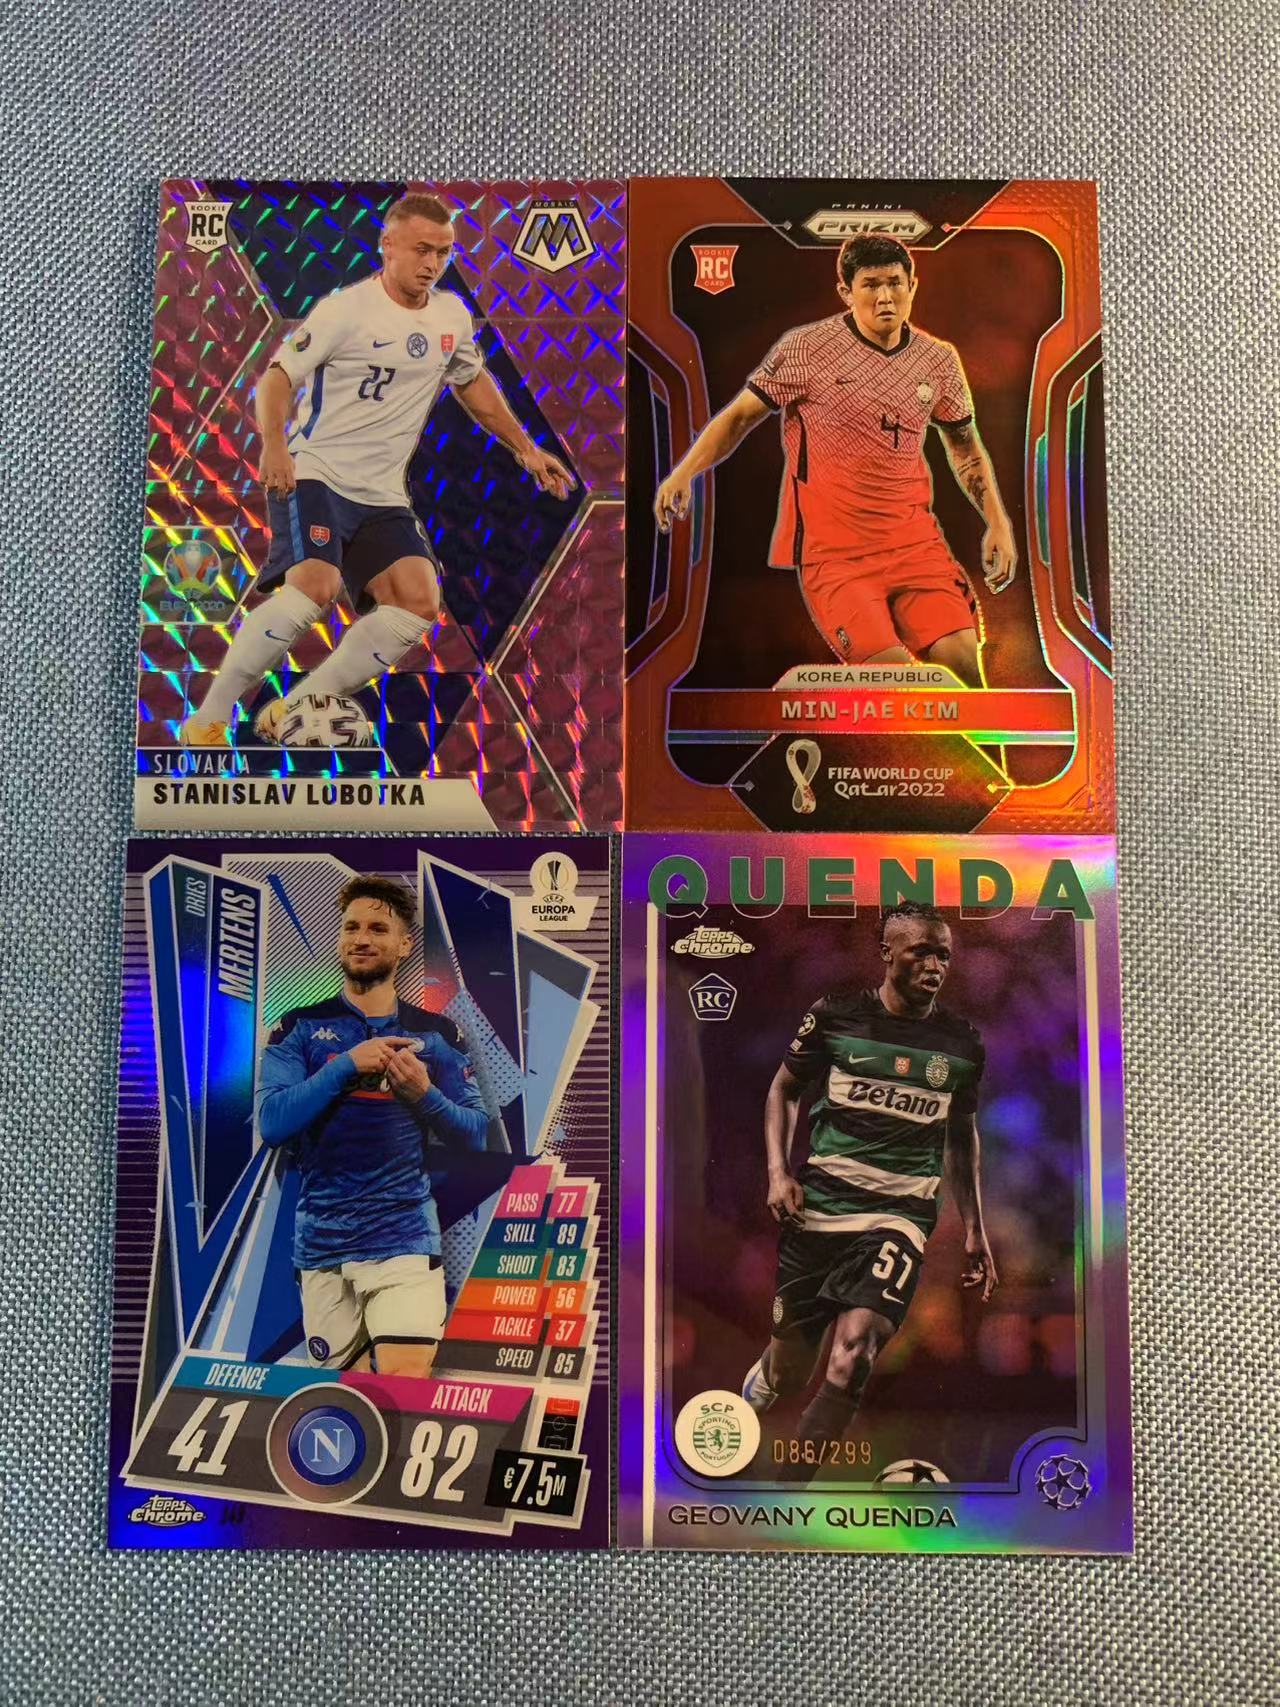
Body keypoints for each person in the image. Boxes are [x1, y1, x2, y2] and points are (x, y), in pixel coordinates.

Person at [181, 191, 574, 747]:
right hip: (316, 473)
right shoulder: (346, 310)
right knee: (314, 586)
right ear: (387, 246)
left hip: (383, 493)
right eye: (421, 250)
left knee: (418, 602)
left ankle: (293, 708)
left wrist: (525, 448)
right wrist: (273, 445)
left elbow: (470, 381)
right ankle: (210, 718)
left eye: (443, 252)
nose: (433, 264)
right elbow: (277, 378)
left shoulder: (451, 315)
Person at [654, 235, 1017, 686]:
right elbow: (739, 417)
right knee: (893, 684)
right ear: (846, 291)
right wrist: (684, 473)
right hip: (836, 560)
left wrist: (997, 522)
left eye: (894, 283)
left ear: (912, 286)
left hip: (916, 548)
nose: (885, 296)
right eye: (870, 285)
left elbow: (965, 447)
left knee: (965, 673)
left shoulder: (938, 360)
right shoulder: (807, 349)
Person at [741, 902, 998, 1468]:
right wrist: (779, 1173)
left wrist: (975, 1229)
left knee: (853, 1354)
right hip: (820, 1207)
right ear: (887, 953)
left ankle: (789, 1490)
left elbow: (961, 1136)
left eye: (943, 955)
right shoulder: (835, 1017)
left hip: (899, 1216)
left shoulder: (961, 1044)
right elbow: (784, 1089)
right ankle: (762, 1383)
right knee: (789, 1374)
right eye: (921, 952)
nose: (935, 966)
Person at [255, 875, 488, 1375]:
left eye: (378, 929)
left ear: (404, 945)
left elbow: (476, 1134)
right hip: (321, 1248)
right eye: (352, 927)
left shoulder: (436, 1034)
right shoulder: (297, 1027)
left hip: (403, 1239)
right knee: (346, 1405)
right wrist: (345, 1066)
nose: (362, 938)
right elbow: (272, 1124)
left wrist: (423, 1096)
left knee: (403, 1387)